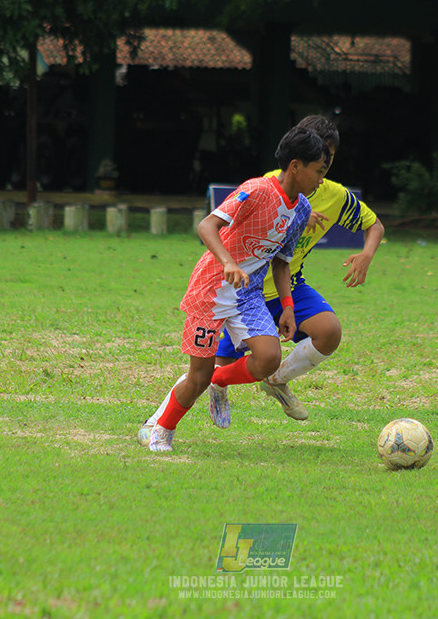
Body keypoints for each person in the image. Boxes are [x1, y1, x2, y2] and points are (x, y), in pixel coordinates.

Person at [138, 126, 331, 452]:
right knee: (196, 377)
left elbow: (282, 262)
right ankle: (162, 429)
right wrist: (228, 262)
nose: (322, 180)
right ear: (296, 166)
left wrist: (287, 306)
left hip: (247, 295)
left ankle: (220, 379)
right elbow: (207, 225)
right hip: (212, 288)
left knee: (269, 358)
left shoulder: (301, 211)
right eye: (319, 171)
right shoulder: (256, 190)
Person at [211, 115, 385, 424]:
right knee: (211, 369)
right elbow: (228, 229)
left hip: (287, 286)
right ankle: (165, 421)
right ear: (296, 161)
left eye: (327, 161)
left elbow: (374, 225)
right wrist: (293, 216)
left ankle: (276, 380)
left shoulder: (335, 195)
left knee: (329, 332)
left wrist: (366, 255)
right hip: (246, 291)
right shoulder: (269, 185)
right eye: (317, 159)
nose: (322, 168)